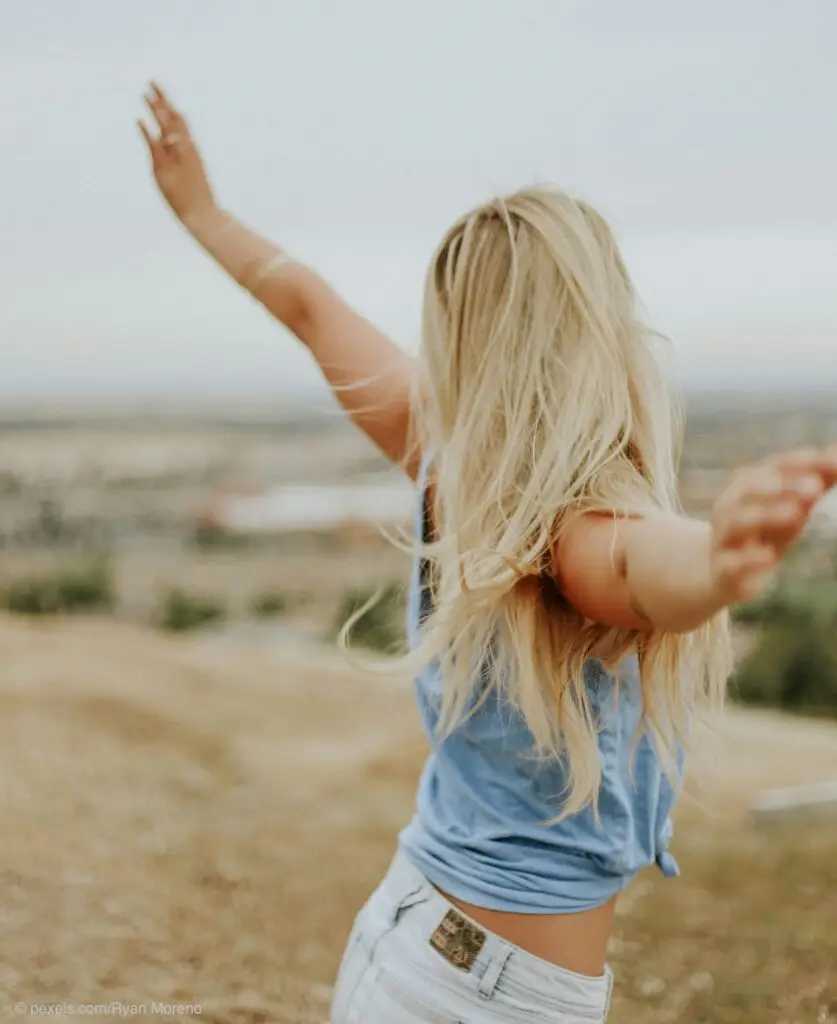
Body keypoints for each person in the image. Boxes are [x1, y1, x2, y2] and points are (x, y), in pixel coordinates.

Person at [139, 82, 837, 1023]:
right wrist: (716, 560)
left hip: (414, 941)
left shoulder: (449, 466)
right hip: (477, 996)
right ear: (599, 334)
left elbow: (308, 306)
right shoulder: (565, 530)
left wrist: (202, 211)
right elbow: (639, 569)